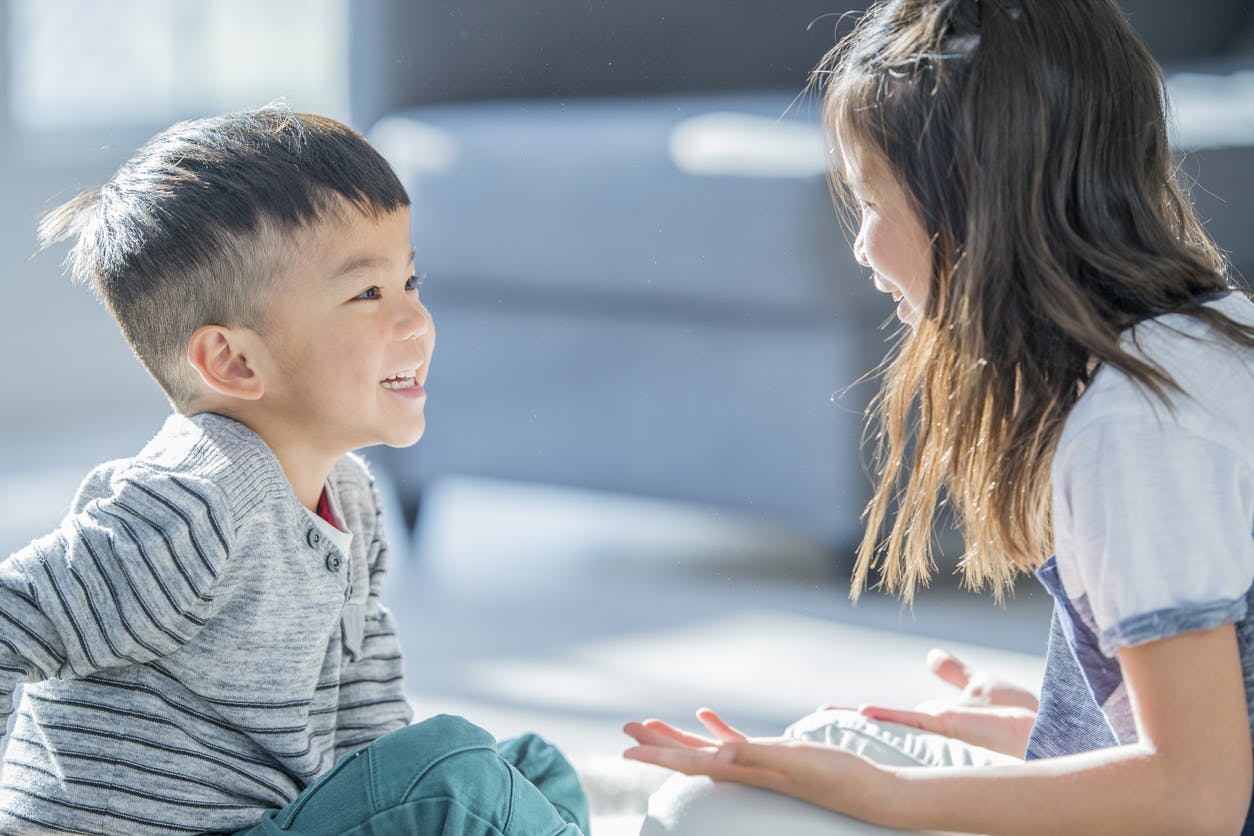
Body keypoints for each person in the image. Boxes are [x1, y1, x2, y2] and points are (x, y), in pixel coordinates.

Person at [623, 0, 1254, 833]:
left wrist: (881, 795)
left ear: (975, 212)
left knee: (711, 812)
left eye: (873, 204)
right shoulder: (1212, 336)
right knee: (822, 742)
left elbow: (1197, 800)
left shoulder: (1134, 426)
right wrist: (1058, 721)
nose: (862, 245)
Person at [3, 106, 589, 836]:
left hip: (271, 816)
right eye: (368, 293)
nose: (416, 321)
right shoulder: (194, 503)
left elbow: (371, 734)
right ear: (235, 362)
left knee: (527, 769)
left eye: (410, 281)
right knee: (458, 778)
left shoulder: (350, 495)